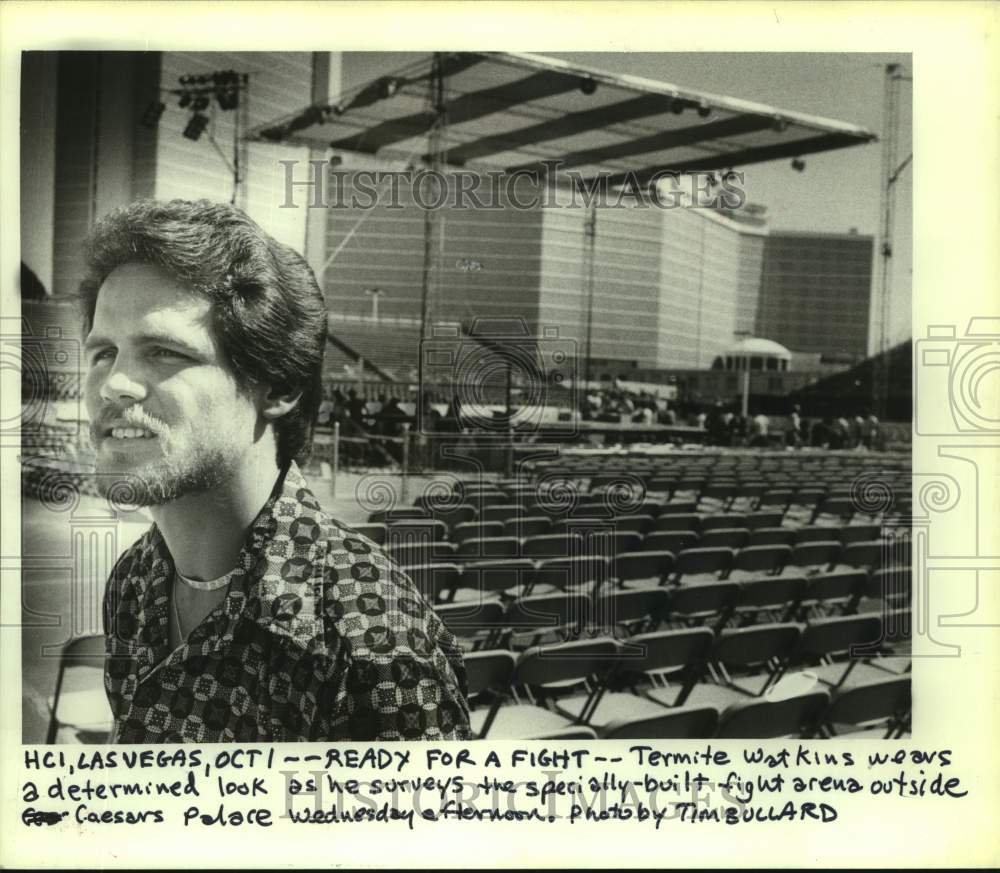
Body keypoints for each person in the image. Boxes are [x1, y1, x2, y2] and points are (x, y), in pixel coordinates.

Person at [81, 199, 470, 743]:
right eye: (102, 352)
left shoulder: (373, 642)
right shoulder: (134, 581)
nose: (113, 384)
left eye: (165, 352)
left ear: (279, 386)